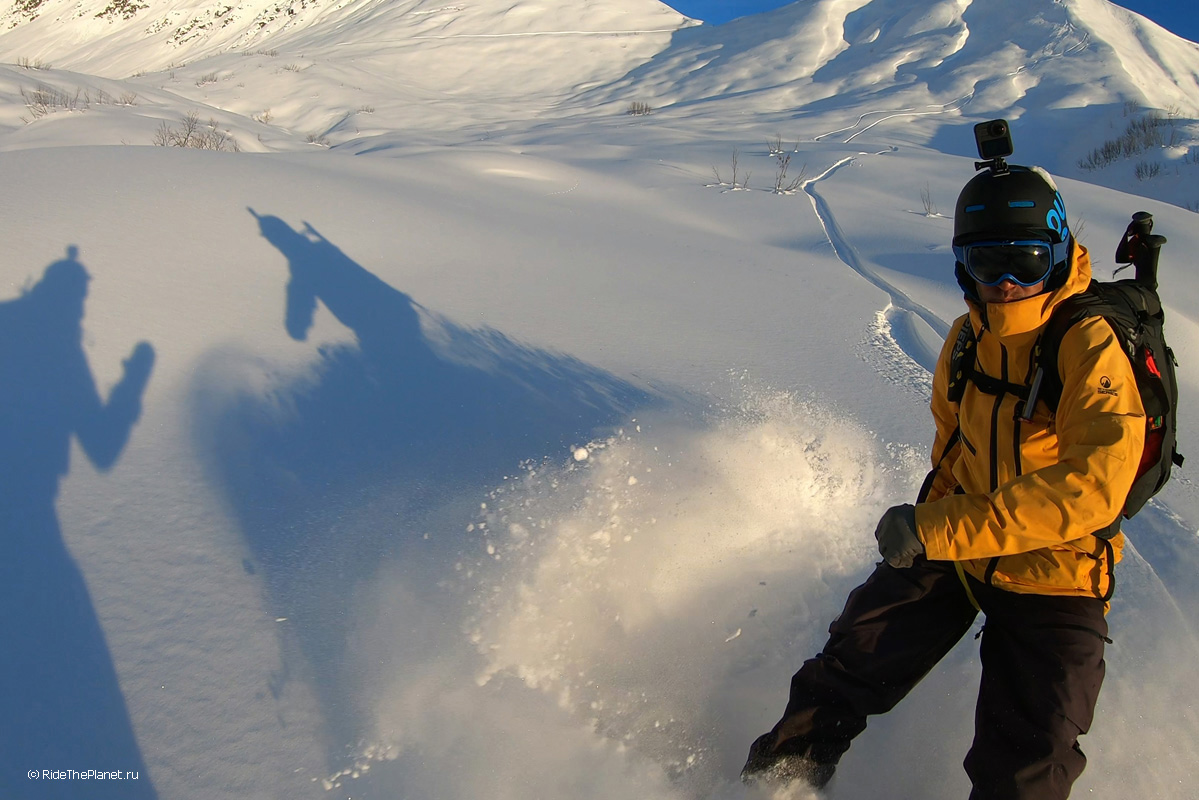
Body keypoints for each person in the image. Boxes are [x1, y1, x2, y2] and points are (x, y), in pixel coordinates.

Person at [740, 163, 1146, 799]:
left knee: (1026, 765)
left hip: (1056, 569)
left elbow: (1093, 487)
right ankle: (774, 788)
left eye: (1027, 261)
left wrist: (934, 529)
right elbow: (955, 452)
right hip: (961, 548)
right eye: (987, 263)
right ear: (963, 266)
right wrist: (919, 541)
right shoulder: (966, 339)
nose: (1007, 282)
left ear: (1059, 253)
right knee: (843, 672)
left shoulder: (1090, 345)